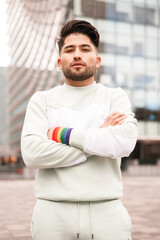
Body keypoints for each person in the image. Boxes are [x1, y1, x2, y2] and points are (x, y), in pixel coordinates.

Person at [21, 20, 138, 240]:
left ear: (98, 60)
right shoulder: (42, 100)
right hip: (52, 214)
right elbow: (32, 153)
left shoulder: (115, 97)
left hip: (108, 212)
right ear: (59, 61)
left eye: (85, 49)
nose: (77, 55)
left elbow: (126, 141)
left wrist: (62, 134)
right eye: (69, 50)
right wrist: (99, 137)